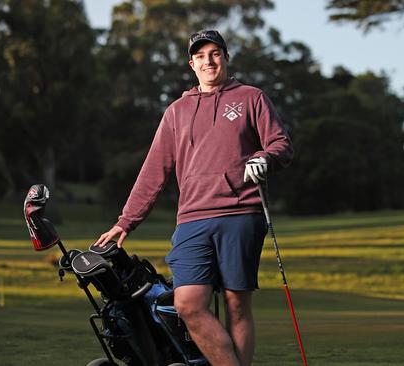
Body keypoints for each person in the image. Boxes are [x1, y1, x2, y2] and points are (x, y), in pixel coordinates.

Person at [94, 29, 293, 366]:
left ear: (226, 59)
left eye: (215, 54)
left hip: (241, 214)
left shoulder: (251, 97)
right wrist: (126, 221)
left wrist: (265, 158)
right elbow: (154, 171)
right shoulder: (176, 111)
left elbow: (281, 144)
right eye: (200, 56)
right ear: (192, 64)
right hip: (192, 219)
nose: (208, 61)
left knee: (236, 304)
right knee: (187, 303)